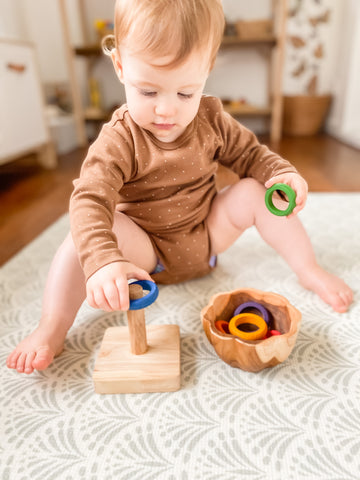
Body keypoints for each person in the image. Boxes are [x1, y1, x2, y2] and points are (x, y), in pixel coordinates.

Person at [7, 0, 353, 375]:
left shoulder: (212, 119)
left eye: (185, 93)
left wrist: (281, 175)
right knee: (81, 236)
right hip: (143, 253)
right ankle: (52, 326)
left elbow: (254, 156)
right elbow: (90, 199)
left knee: (254, 191)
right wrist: (103, 260)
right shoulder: (119, 140)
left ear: (207, 69)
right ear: (121, 67)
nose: (166, 110)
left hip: (205, 237)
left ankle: (308, 268)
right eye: (149, 92)